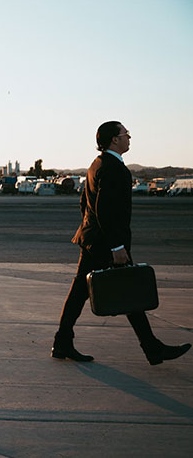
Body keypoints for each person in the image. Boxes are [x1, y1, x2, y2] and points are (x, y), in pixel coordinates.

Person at [52, 121, 190, 365]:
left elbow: (85, 203)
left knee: (83, 292)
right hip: (106, 243)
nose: (129, 137)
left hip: (93, 239)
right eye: (125, 134)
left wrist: (89, 228)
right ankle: (151, 348)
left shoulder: (97, 165)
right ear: (114, 140)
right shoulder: (114, 168)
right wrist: (116, 247)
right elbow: (104, 209)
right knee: (128, 290)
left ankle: (63, 342)